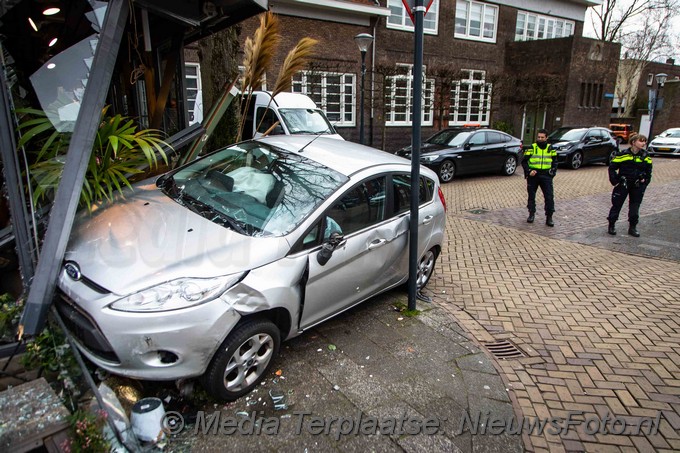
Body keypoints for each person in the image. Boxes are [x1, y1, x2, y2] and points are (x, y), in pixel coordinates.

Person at [607, 133, 652, 237]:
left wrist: (645, 182)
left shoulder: (645, 156)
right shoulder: (623, 154)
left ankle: (632, 227)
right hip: (624, 183)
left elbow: (649, 171)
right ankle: (612, 224)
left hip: (637, 185)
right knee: (617, 204)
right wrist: (615, 180)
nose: (643, 143)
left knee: (635, 206)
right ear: (633, 142)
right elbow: (612, 167)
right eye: (641, 141)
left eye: (644, 141)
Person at [522, 129, 558, 226]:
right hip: (534, 175)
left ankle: (549, 217)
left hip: (546, 175)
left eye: (542, 137)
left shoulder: (551, 148)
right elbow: (524, 161)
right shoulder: (532, 147)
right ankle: (531, 214)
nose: (540, 139)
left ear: (546, 138)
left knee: (549, 197)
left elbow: (555, 162)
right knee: (531, 196)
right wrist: (529, 171)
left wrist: (553, 172)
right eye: (539, 137)